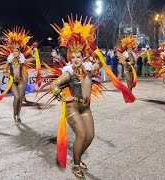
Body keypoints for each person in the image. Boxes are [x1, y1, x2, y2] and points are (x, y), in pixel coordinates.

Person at [44, 15, 135, 179]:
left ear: (82, 56)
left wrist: (95, 48)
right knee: (81, 135)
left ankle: (76, 158)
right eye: (73, 57)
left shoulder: (88, 68)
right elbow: (53, 85)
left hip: (86, 107)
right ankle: (76, 164)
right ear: (70, 57)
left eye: (79, 56)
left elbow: (102, 61)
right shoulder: (68, 72)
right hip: (73, 107)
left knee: (90, 137)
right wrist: (63, 97)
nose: (76, 59)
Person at [0, 27, 40, 125]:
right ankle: (15, 115)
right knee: (17, 98)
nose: (15, 52)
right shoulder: (9, 61)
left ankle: (18, 115)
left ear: (19, 52)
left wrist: (33, 51)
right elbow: (4, 71)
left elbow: (34, 58)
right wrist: (9, 75)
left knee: (21, 99)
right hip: (13, 82)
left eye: (16, 51)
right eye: (13, 51)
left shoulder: (23, 60)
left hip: (22, 81)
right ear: (12, 52)